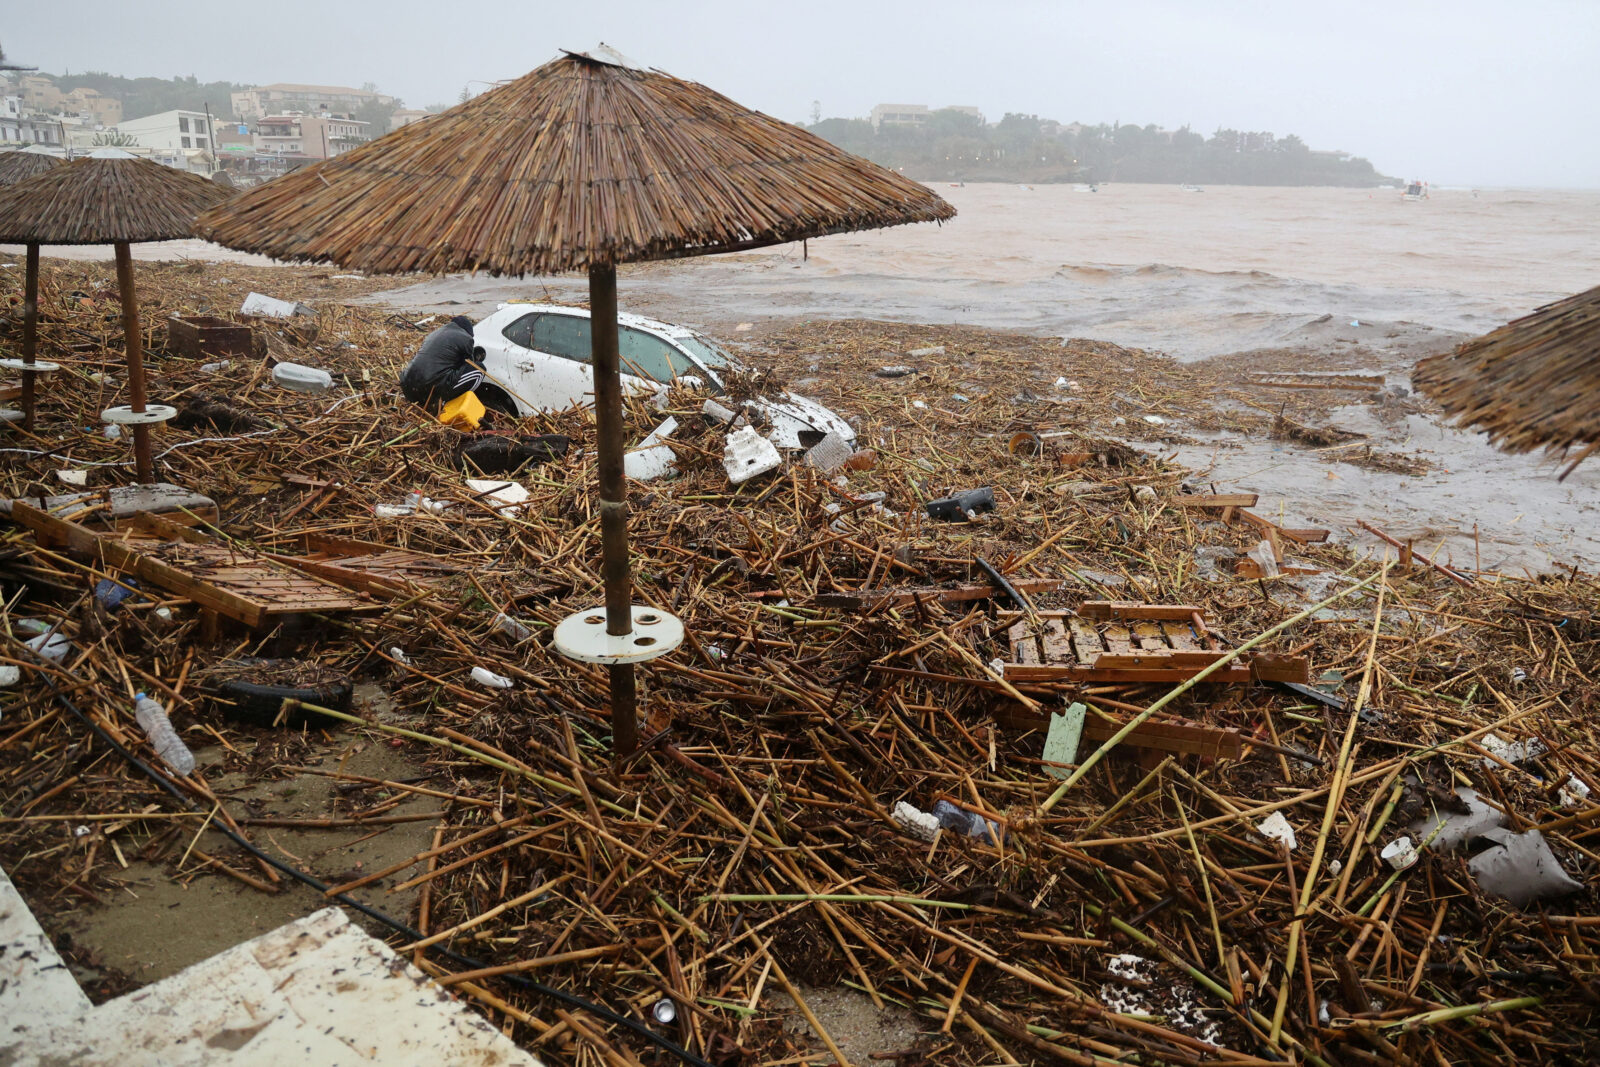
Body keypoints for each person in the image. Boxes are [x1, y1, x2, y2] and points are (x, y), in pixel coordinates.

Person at [400, 316, 516, 415]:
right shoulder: (466, 338)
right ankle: (450, 403)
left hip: (408, 388)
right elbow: (469, 363)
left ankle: (429, 401)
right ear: (468, 331)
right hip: (429, 389)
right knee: (479, 369)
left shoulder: (435, 334)